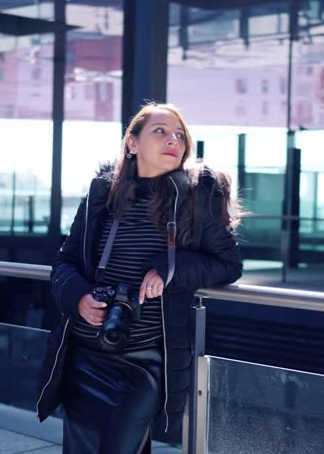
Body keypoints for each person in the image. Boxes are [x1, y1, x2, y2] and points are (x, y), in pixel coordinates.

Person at [36, 102, 243, 453]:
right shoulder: (103, 193)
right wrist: (79, 299)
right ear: (132, 143)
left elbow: (228, 263)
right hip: (85, 352)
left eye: (180, 135)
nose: (173, 140)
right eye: (160, 131)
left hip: (144, 361)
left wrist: (170, 269)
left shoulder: (197, 196)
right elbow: (65, 263)